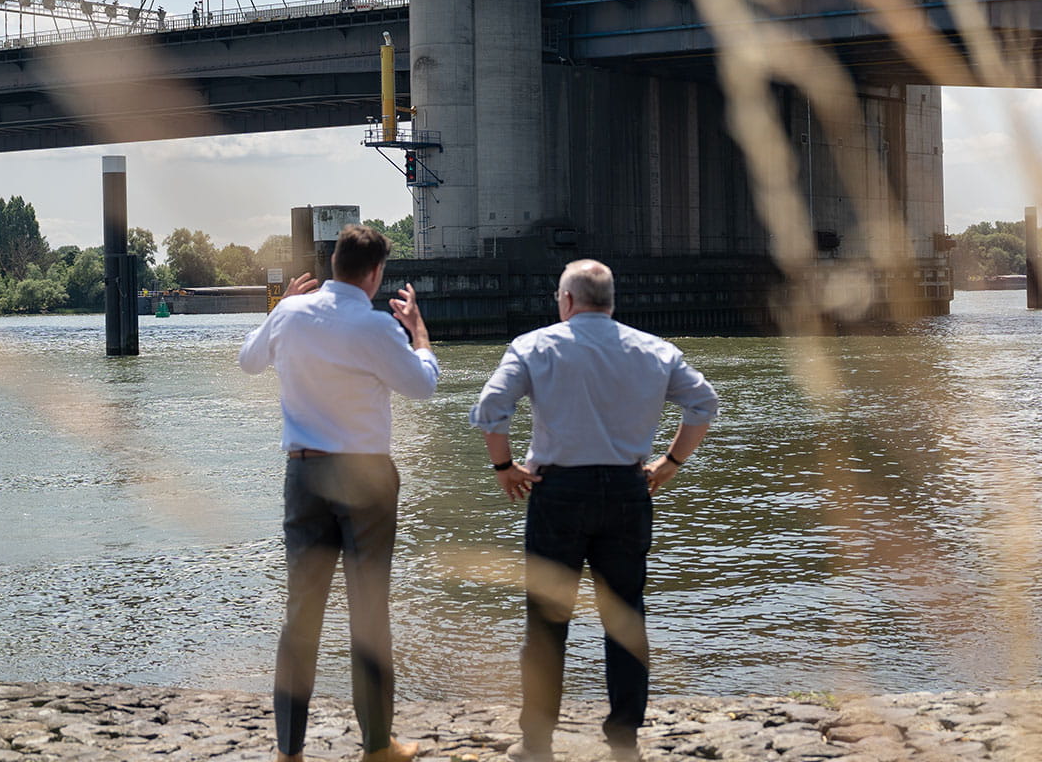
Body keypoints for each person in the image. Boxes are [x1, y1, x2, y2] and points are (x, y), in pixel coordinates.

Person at [468, 259, 718, 762]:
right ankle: (623, 739)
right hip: (629, 489)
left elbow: (490, 409)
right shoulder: (654, 349)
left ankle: (537, 742)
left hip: (558, 492)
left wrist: (504, 467)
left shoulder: (535, 346)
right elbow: (703, 405)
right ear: (611, 302)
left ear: (566, 301)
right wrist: (670, 462)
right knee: (625, 616)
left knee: (545, 621)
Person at [238, 224, 437, 762]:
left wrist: (279, 308)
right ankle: (377, 745)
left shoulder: (289, 314)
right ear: (375, 274)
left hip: (303, 474)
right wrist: (417, 331)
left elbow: (248, 361)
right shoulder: (376, 326)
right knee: (369, 612)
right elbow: (423, 385)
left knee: (301, 613)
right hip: (366, 477)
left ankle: (289, 751)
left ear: (331, 262)